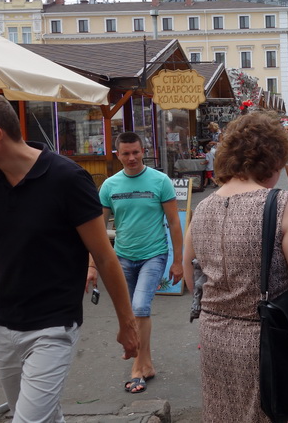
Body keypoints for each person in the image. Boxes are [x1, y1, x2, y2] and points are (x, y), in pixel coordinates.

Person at [0, 94, 139, 421]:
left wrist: (127, 323)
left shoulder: (67, 178)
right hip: (0, 322)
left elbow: (104, 256)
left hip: (52, 326)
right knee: (42, 416)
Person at [188, 112, 288, 423]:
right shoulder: (283, 204)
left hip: (215, 341)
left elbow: (193, 281)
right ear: (274, 158)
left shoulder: (202, 208)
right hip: (269, 344)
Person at [99, 132, 184, 394]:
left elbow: (173, 222)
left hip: (154, 255)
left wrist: (177, 261)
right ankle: (146, 363)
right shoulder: (109, 186)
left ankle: (137, 367)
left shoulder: (160, 181)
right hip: (123, 257)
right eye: (126, 153)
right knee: (132, 312)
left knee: (140, 307)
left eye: (136, 152)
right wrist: (93, 265)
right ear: (118, 155)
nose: (132, 157)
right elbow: (99, 229)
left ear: (143, 150)